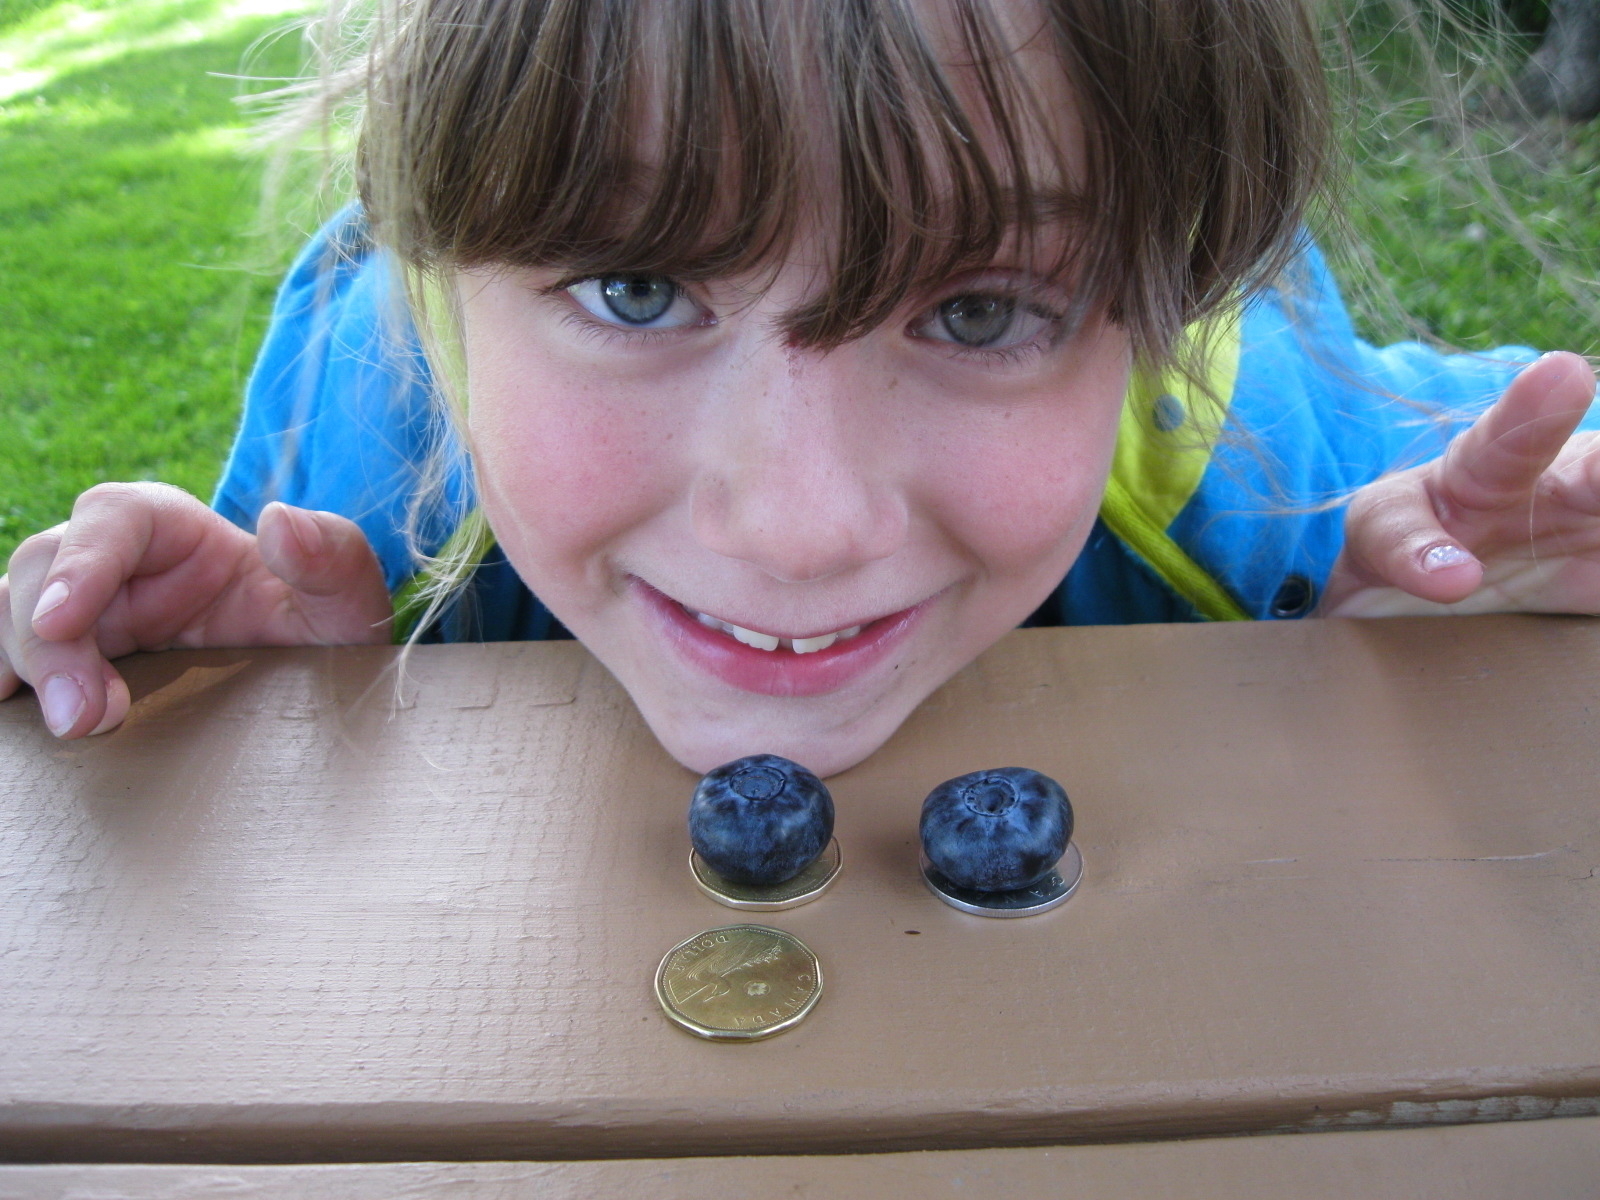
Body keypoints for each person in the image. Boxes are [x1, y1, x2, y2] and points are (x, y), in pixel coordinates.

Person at [1, 0, 1596, 778]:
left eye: (982, 311)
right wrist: (248, 701)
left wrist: (1427, 633)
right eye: (638, 290)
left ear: (1164, 306)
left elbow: (1536, 465)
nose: (801, 528)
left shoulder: (1243, 452)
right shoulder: (365, 433)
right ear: (438, 277)